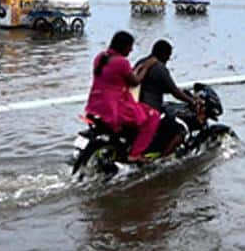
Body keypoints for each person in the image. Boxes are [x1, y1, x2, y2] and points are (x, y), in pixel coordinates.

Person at [85, 31, 160, 162]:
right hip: (114, 107)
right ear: (123, 46)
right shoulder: (122, 62)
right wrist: (146, 67)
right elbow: (135, 81)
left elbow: (114, 78)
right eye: (130, 46)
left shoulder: (99, 58)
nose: (131, 50)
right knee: (153, 116)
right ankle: (135, 154)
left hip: (95, 105)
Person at [135, 40, 202, 156]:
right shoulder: (159, 68)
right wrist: (192, 101)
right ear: (163, 54)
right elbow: (174, 91)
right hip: (152, 109)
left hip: (137, 107)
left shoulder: (141, 62)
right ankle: (164, 159)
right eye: (168, 56)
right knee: (181, 130)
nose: (168, 59)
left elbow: (157, 86)